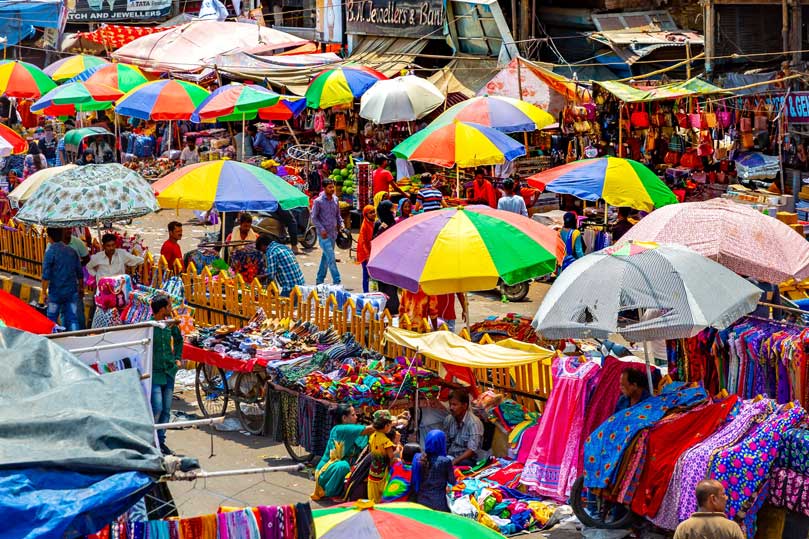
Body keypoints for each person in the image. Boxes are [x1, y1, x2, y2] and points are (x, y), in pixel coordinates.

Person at [312, 404, 374, 500]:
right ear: (344, 418)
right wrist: (394, 421)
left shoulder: (355, 430)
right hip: (326, 472)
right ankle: (331, 493)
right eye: (353, 415)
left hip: (345, 470)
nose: (356, 417)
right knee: (343, 466)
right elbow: (370, 429)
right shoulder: (340, 429)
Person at [150, 295, 183, 456]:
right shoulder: (148, 326)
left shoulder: (171, 324)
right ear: (162, 309)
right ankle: (152, 441)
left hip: (169, 371)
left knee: (166, 410)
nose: (171, 309)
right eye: (169, 306)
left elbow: (178, 340)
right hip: (154, 373)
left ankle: (161, 442)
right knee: (157, 407)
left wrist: (177, 358)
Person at [41, 227, 84, 331]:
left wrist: (43, 292)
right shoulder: (72, 251)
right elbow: (80, 273)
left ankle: (53, 340)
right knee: (73, 318)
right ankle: (75, 338)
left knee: (52, 319)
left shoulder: (50, 252)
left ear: (49, 237)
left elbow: (46, 275)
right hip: (71, 291)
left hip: (55, 292)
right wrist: (81, 288)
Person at [673, 480, 744, 539]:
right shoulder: (731, 528)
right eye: (723, 494)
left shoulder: (684, 528)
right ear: (713, 499)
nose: (726, 498)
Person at [411, 430, 455, 512]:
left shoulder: (417, 458)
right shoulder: (445, 461)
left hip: (421, 502)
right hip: (438, 504)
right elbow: (452, 481)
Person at [311, 179, 343, 285]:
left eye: (333, 187)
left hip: (333, 233)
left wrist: (341, 225)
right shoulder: (318, 201)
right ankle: (337, 280)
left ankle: (319, 279)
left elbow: (338, 215)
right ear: (324, 188)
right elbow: (314, 218)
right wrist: (321, 229)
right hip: (324, 235)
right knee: (331, 258)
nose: (332, 189)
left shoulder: (335, 199)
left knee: (326, 257)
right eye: (329, 187)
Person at [442, 389, 484, 466]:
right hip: (451, 456)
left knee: (463, 463)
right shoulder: (449, 419)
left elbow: (472, 450)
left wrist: (454, 461)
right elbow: (446, 442)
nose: (451, 408)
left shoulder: (474, 423)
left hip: (467, 459)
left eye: (454, 405)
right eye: (450, 404)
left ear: (464, 406)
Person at [367, 409, 400, 503]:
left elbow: (370, 451)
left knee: (372, 499)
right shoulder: (386, 442)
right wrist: (397, 447)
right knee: (381, 499)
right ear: (386, 426)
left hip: (372, 473)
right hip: (383, 474)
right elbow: (391, 456)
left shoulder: (372, 436)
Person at [373, 200, 399, 313]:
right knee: (385, 284)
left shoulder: (394, 222)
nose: (392, 212)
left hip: (391, 258)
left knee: (391, 285)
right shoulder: (379, 224)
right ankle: (386, 306)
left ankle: (391, 307)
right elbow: (374, 239)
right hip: (383, 259)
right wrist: (381, 230)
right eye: (390, 210)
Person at [356, 205, 376, 293]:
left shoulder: (374, 222)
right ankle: (366, 292)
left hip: (372, 251)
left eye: (374, 211)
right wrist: (367, 255)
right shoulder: (365, 226)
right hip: (365, 253)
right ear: (366, 214)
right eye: (370, 213)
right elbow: (363, 242)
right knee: (366, 274)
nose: (373, 214)